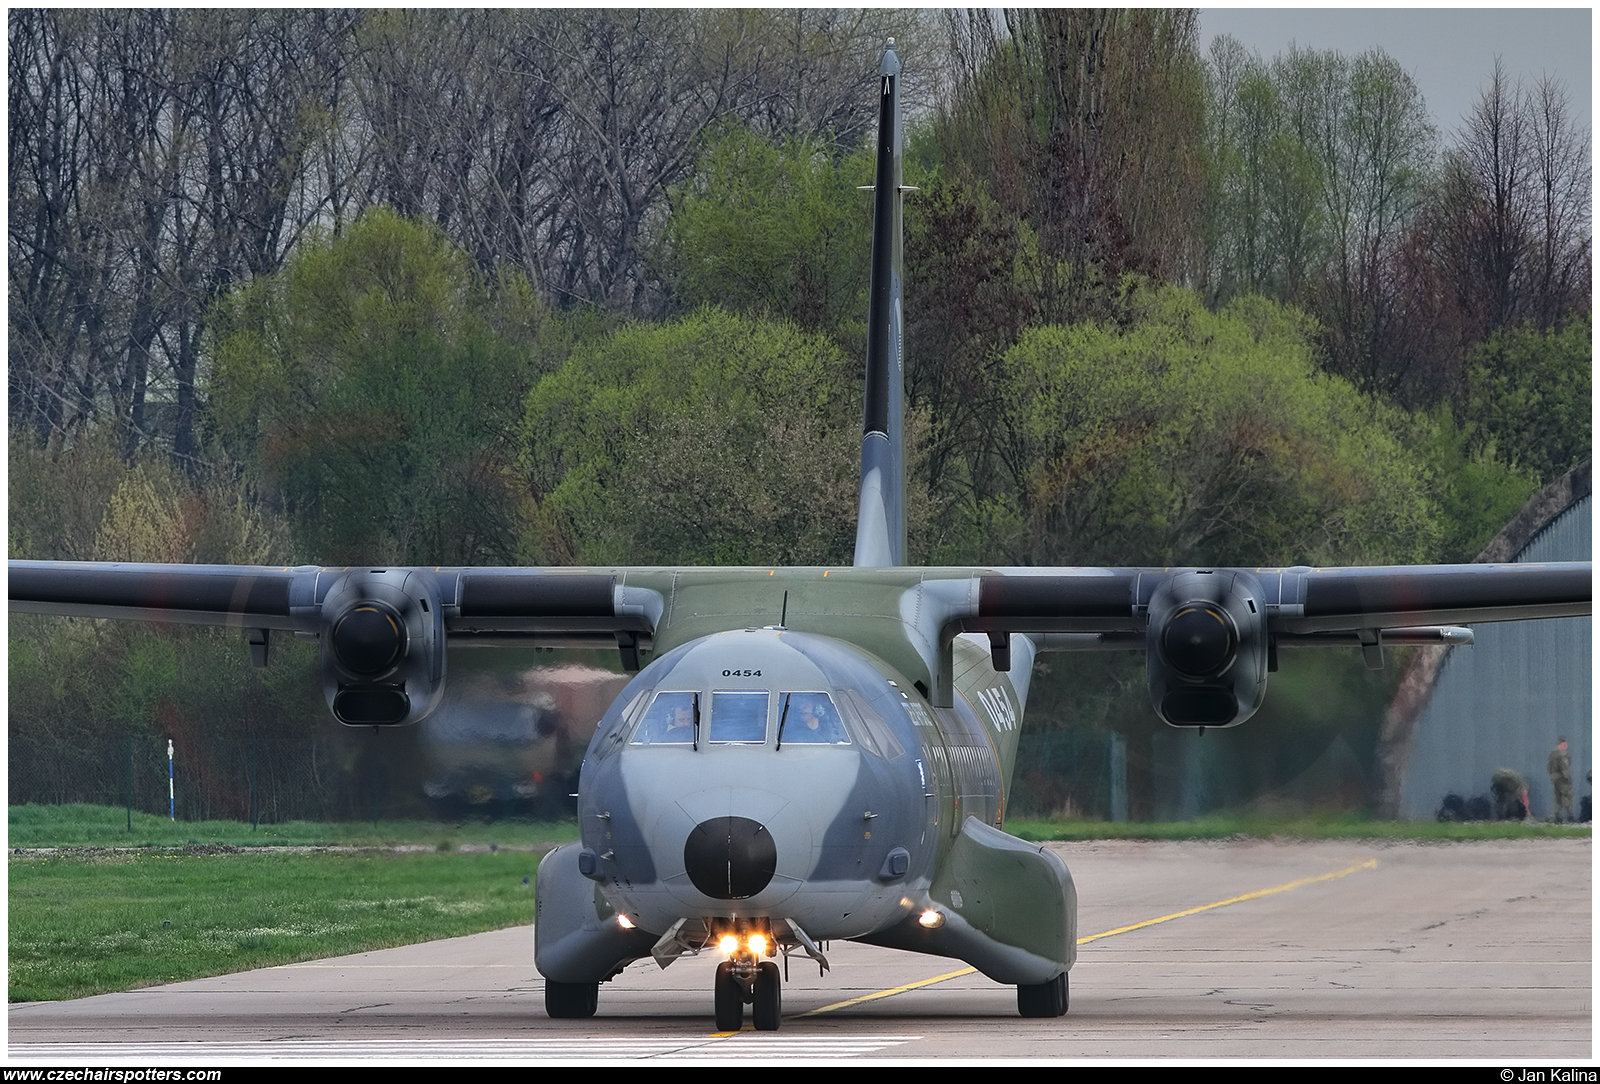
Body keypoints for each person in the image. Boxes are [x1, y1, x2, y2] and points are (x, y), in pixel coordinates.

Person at [1548, 737, 1574, 823]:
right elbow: (1564, 767)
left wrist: (1553, 776)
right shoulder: (1562, 754)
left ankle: (1557, 817)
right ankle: (1570, 816)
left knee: (1557, 798)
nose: (1566, 745)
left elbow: (1549, 767)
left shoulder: (1553, 754)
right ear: (1562, 744)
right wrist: (1567, 778)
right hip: (1563, 779)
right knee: (1567, 797)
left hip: (1555, 779)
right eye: (1565, 744)